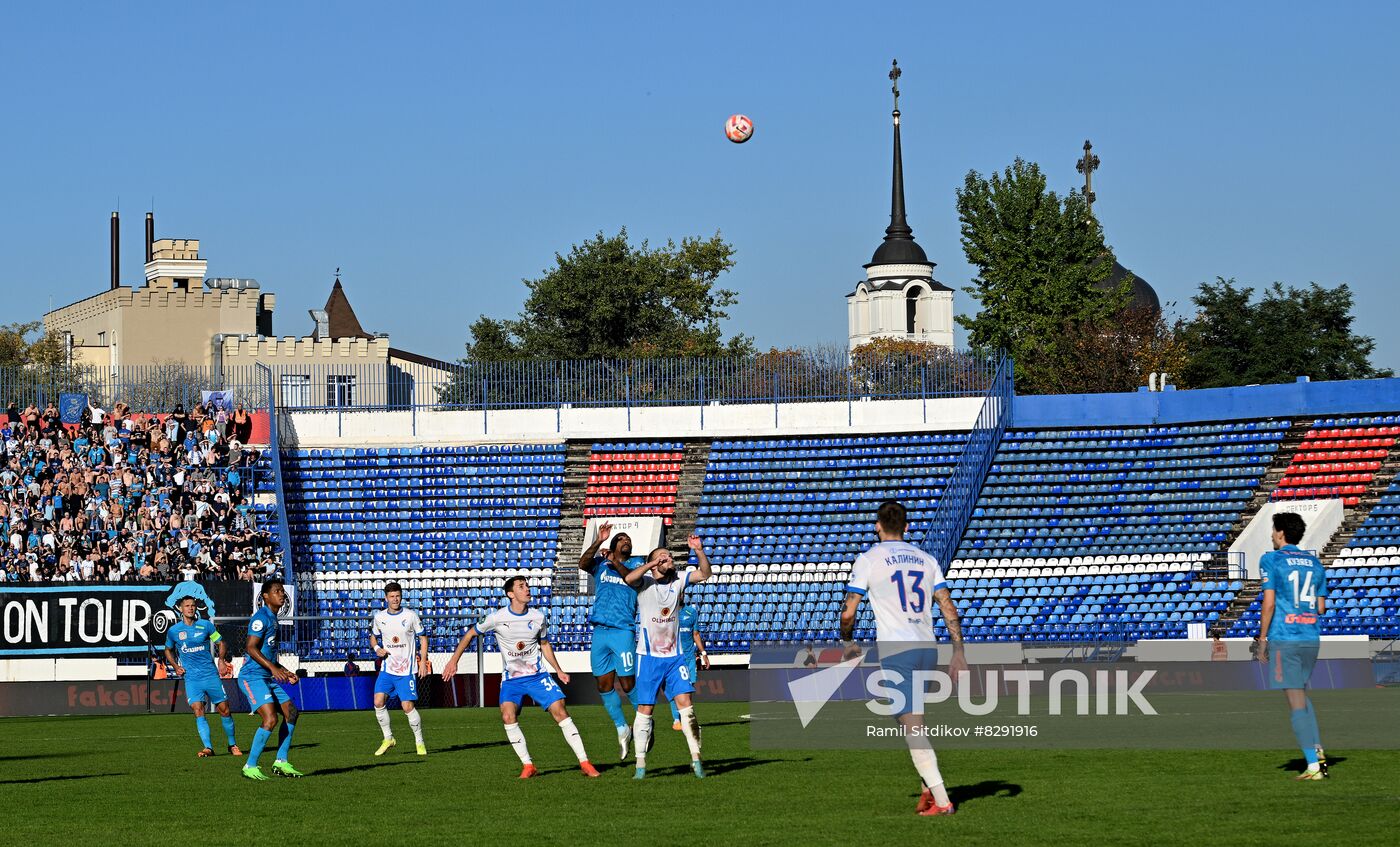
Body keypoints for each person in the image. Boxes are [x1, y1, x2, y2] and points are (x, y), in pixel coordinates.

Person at [839, 500, 967, 817]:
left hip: (898, 648)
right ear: (907, 527)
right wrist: (959, 652)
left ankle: (942, 801)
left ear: (877, 527)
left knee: (911, 725)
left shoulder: (868, 559)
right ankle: (927, 789)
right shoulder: (926, 560)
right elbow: (949, 608)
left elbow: (849, 611)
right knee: (906, 718)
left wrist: (848, 641)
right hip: (927, 647)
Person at [441, 576, 599, 779]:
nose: (527, 589)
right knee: (507, 715)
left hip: (537, 676)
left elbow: (544, 644)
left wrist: (558, 670)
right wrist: (453, 661)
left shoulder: (538, 617)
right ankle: (528, 766)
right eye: (521, 586)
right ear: (510, 594)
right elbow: (470, 634)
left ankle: (585, 762)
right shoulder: (496, 618)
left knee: (559, 711)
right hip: (511, 680)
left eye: (527, 585)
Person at [624, 535, 712, 779]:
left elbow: (705, 574)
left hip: (675, 658)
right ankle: (640, 765)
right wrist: (651, 564)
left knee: (687, 707)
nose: (669, 559)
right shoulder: (645, 583)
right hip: (649, 657)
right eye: (663, 557)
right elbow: (629, 577)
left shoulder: (679, 580)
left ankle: (697, 760)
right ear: (654, 563)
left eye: (670, 556)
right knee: (645, 710)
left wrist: (699, 551)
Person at [1256, 511, 1329, 780]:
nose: (1272, 535)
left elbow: (1270, 603)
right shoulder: (1315, 564)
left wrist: (1262, 640)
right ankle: (1318, 751)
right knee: (1301, 694)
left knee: (1295, 702)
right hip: (1310, 637)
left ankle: (1313, 767)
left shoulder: (1271, 559)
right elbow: (1321, 608)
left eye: (1274, 530)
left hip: (1285, 636)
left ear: (1281, 532)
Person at [578, 522, 642, 759]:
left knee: (627, 684)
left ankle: (643, 722)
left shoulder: (636, 565)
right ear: (614, 545)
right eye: (622, 539)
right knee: (603, 685)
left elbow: (632, 581)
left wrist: (614, 561)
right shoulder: (600, 565)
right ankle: (622, 728)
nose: (627, 541)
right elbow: (583, 564)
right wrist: (598, 541)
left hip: (622, 631)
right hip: (600, 632)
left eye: (629, 540)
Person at [238, 579, 303, 780]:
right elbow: (251, 647)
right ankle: (249, 765)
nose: (282, 594)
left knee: (291, 712)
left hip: (267, 676)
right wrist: (274, 668)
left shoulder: (274, 619)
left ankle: (281, 761)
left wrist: (285, 671)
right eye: (277, 591)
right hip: (252, 677)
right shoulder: (261, 618)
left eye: (282, 591)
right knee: (270, 718)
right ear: (265, 596)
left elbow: (270, 655)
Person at [163, 596, 241, 757]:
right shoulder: (174, 631)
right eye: (187, 606)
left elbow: (221, 642)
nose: (190, 608)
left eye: (193, 605)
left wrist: (221, 660)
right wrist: (176, 666)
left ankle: (232, 744)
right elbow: (167, 649)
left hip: (210, 675)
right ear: (180, 609)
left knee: (224, 710)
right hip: (192, 679)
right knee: (198, 709)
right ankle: (208, 748)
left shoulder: (205, 626)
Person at [370, 581, 430, 756]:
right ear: (386, 598)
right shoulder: (380, 617)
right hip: (388, 669)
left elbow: (423, 639)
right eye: (391, 597)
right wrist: (376, 649)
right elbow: (373, 637)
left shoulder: (411, 616)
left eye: (397, 596)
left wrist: (423, 661)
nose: (395, 599)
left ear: (401, 596)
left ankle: (419, 741)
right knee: (378, 702)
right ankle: (388, 738)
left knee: (407, 706)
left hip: (406, 671)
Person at [668, 603, 709, 731]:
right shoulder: (668, 611)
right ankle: (676, 721)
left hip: (689, 657)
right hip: (674, 657)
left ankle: (687, 720)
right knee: (675, 690)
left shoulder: (691, 612)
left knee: (688, 689)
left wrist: (703, 654)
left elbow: (695, 634)